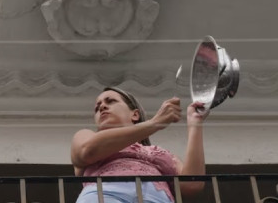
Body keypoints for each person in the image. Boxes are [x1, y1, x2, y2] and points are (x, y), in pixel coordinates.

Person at [71, 87, 207, 203]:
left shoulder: (160, 153)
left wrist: (195, 123)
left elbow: (191, 184)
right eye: (97, 107)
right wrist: (154, 123)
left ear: (135, 115)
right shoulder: (86, 136)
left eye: (110, 101)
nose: (101, 107)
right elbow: (86, 152)